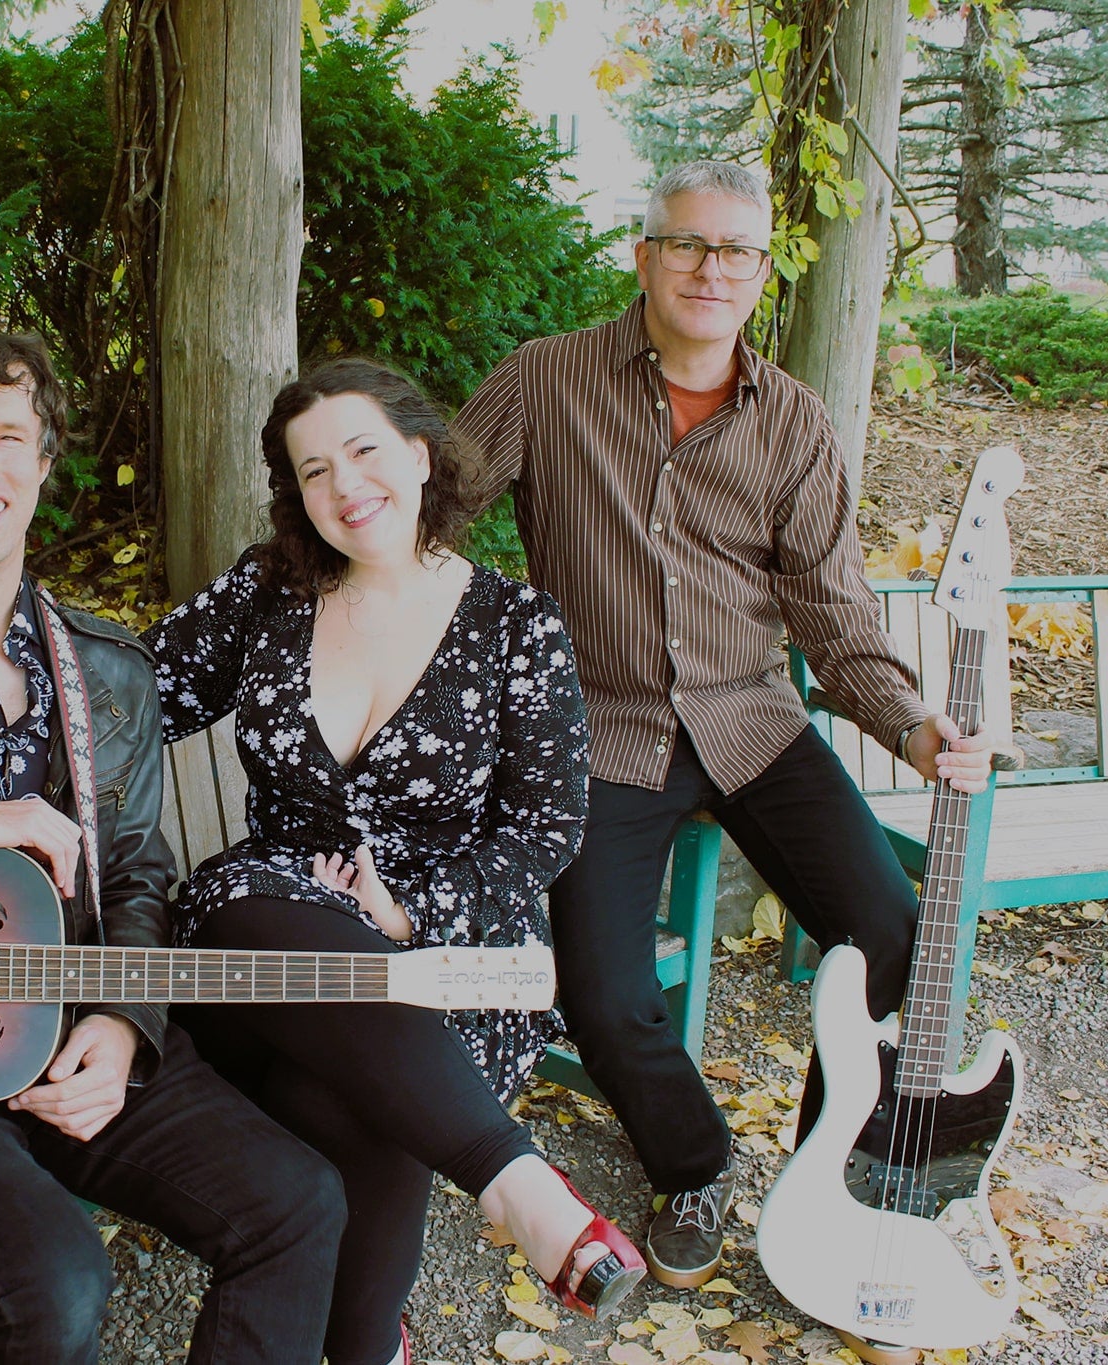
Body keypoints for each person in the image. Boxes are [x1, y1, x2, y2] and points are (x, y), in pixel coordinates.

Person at [453, 160, 995, 1316]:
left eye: (734, 252)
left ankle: (825, 1156)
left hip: (750, 721)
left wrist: (911, 724)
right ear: (642, 257)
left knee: (892, 933)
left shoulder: (791, 421)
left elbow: (833, 616)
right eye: (686, 245)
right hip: (596, 732)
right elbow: (427, 508)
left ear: (760, 275)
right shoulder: (543, 381)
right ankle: (692, 1167)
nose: (709, 269)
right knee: (598, 997)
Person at [0, 320, 348, 1364]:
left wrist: (124, 1018)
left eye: (9, 437)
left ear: (45, 463)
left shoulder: (104, 668)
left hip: (64, 1022)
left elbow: (139, 870)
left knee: (296, 1206)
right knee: (57, 1279)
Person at [145, 357, 644, 1365]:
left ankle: (361, 1346)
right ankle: (513, 1183)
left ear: (420, 456)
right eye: (313, 470)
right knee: (258, 911)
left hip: (446, 955)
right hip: (268, 928)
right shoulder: (269, 589)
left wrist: (415, 908)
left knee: (346, 1092)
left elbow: (546, 824)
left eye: (363, 451)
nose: (343, 486)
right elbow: (122, 700)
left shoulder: (517, 628)